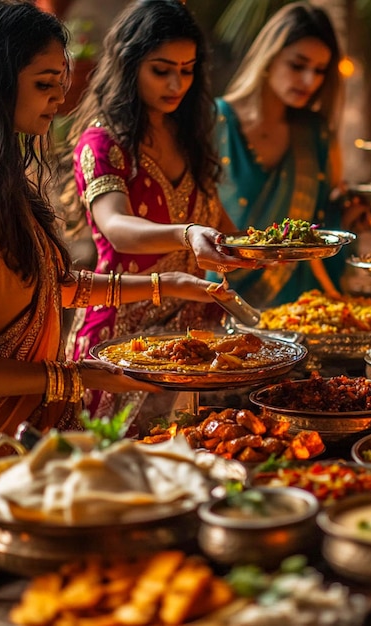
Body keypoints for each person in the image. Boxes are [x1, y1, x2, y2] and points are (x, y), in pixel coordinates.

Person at [0, 0, 228, 471]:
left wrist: (164, 284)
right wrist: (75, 377)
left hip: (46, 420)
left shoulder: (9, 186)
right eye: (45, 85)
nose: (59, 100)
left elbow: (58, 285)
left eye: (61, 85)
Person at [61, 0, 257, 417]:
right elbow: (115, 225)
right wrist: (186, 233)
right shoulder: (103, 143)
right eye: (161, 70)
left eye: (186, 71)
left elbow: (220, 223)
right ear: (130, 65)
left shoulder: (190, 135)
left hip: (190, 340)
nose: (176, 85)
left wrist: (261, 250)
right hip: (122, 341)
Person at [214, 1, 352, 307]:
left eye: (319, 71)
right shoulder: (215, 121)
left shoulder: (314, 132)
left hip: (301, 305)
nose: (309, 81)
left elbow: (322, 221)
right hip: (223, 298)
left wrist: (353, 212)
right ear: (269, 57)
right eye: (297, 65)